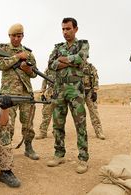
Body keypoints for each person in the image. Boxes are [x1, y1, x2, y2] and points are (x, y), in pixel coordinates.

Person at [46, 17, 89, 174]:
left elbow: (81, 58)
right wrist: (72, 62)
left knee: (80, 125)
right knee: (57, 124)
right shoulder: (58, 47)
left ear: (75, 29)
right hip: (59, 91)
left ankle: (83, 158)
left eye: (68, 29)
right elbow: (51, 64)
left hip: (76, 91)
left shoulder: (82, 44)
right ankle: (59, 154)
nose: (65, 32)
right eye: (63, 29)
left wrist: (64, 60)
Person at [0, 23, 39, 160]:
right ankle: (4, 150)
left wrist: (27, 69)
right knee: (7, 124)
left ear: (22, 36)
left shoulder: (29, 53)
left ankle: (28, 147)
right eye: (13, 36)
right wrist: (18, 57)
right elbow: (1, 65)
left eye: (19, 36)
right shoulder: (2, 49)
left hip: (26, 92)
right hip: (9, 93)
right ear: (9, 36)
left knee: (28, 123)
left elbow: (34, 74)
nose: (16, 39)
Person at [83, 62, 105, 140]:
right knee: (80, 114)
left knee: (94, 113)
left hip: (89, 92)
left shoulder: (90, 67)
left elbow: (95, 78)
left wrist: (95, 91)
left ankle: (99, 131)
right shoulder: (75, 66)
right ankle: (82, 132)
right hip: (79, 92)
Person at [35, 67, 56, 139]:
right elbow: (44, 81)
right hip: (49, 95)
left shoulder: (63, 68)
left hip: (60, 95)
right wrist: (42, 93)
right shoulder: (48, 69)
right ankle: (43, 132)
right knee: (46, 114)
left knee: (58, 115)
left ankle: (57, 132)